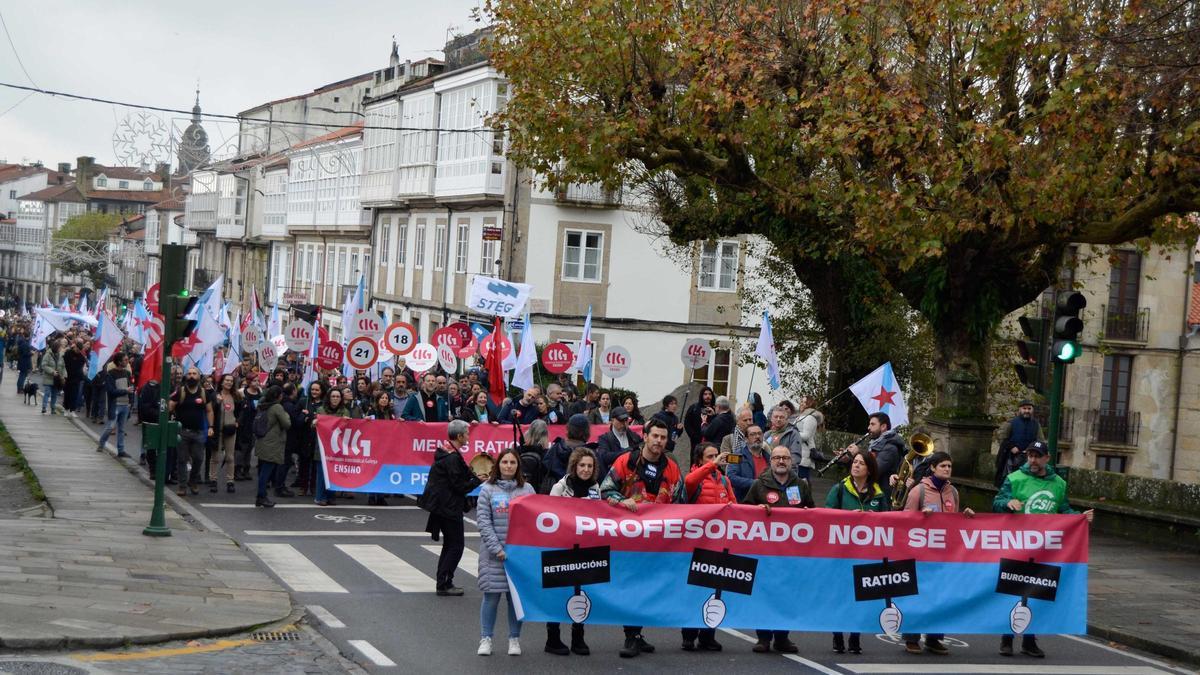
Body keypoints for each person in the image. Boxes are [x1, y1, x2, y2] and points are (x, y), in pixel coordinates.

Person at [993, 440, 1094, 658]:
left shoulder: (1059, 483)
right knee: (1013, 592)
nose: (1033, 460)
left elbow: (1063, 509)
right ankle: (1006, 639)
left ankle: (1029, 641)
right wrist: (1007, 503)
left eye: (1038, 456)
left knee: (1038, 594)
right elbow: (997, 502)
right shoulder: (1014, 479)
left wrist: (1079, 517)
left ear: (1047, 458)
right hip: (1018, 545)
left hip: (1045, 549)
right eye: (1030, 455)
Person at [600, 417, 683, 658]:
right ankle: (630, 636)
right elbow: (605, 489)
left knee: (648, 587)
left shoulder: (672, 467)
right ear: (645, 436)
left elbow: (680, 501)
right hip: (629, 540)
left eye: (663, 437)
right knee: (632, 586)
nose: (658, 441)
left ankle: (636, 633)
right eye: (654, 436)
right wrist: (621, 499)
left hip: (659, 540)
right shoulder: (626, 461)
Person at [900, 450, 975, 655]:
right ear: (933, 468)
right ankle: (911, 637)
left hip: (943, 555)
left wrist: (966, 517)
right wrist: (921, 518)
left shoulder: (954, 492)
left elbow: (955, 523)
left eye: (949, 466)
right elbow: (905, 520)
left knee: (940, 595)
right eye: (943, 466)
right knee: (917, 595)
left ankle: (934, 638)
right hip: (921, 554)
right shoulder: (919, 491)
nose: (947, 469)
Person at [742, 445, 812, 654]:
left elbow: (812, 510)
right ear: (770, 461)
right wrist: (755, 511)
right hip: (765, 552)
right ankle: (763, 638)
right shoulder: (758, 485)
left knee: (788, 594)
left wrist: (808, 512)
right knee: (764, 593)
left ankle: (782, 637)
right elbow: (743, 511)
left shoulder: (801, 485)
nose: (781, 461)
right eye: (777, 458)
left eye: (785, 458)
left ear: (791, 461)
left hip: (792, 552)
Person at [825, 449, 889, 655]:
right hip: (842, 553)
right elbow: (826, 516)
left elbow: (889, 521)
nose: (856, 466)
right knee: (840, 595)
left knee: (860, 596)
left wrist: (875, 518)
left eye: (861, 463)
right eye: (854, 463)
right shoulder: (840, 489)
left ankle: (855, 636)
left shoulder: (878, 494)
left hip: (866, 553)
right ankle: (837, 635)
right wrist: (846, 517)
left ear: (869, 470)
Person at [476, 448, 536, 656]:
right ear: (498, 465)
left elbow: (534, 521)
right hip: (494, 555)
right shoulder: (487, 489)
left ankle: (514, 639)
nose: (509, 466)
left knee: (514, 599)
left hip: (518, 556)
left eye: (512, 462)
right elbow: (483, 521)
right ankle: (486, 638)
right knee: (491, 597)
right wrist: (497, 549)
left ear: (518, 466)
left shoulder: (527, 490)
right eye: (505, 462)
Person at [419, 420, 487, 596]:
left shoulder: (447, 451)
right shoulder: (452, 457)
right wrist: (477, 481)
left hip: (442, 505)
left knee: (450, 544)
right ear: (459, 436)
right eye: (467, 433)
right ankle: (444, 583)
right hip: (448, 506)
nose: (468, 436)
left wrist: (473, 477)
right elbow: (460, 486)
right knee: (456, 545)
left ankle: (443, 581)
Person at [545, 446, 600, 656]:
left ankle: (578, 637)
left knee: (580, 592)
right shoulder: (560, 487)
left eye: (589, 466)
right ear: (574, 466)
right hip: (561, 547)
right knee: (557, 593)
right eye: (582, 465)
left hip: (584, 548)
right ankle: (553, 637)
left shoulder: (595, 488)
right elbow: (549, 514)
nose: (586, 469)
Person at [681, 442, 735, 652]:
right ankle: (688, 635)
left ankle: (708, 635)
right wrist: (711, 465)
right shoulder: (695, 477)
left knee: (715, 589)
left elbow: (734, 505)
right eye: (710, 456)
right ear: (699, 460)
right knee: (693, 590)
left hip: (717, 543)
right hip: (695, 543)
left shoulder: (724, 480)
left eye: (717, 456)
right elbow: (689, 482)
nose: (716, 459)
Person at [169, 366, 215, 497]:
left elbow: (209, 410)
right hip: (182, 431)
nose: (191, 376)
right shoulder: (180, 391)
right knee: (182, 460)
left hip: (199, 432)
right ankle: (182, 486)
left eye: (194, 373)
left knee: (199, 459)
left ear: (199, 376)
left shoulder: (203, 393)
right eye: (189, 374)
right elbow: (170, 405)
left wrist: (211, 427)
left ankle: (193, 481)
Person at [847, 412, 905, 497]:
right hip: (872, 491)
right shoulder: (875, 444)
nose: (868, 427)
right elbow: (862, 467)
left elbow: (874, 470)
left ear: (883, 427)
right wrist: (848, 459)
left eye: (872, 424)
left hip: (881, 495)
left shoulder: (890, 448)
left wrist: (857, 454)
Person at [253, 385, 290, 508]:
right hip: (272, 443)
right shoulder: (277, 407)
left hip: (262, 441)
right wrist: (286, 414)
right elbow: (287, 424)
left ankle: (261, 496)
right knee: (266, 472)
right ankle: (261, 496)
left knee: (263, 470)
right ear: (279, 396)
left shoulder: (263, 404)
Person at [994, 400, 1045, 487]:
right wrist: (1011, 446)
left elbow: (1040, 441)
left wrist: (1031, 450)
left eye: (1029, 408)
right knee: (1010, 482)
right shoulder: (1011, 423)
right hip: (1011, 458)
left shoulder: (1036, 424)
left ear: (1032, 410)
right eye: (1024, 408)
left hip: (1029, 458)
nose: (1026, 411)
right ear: (1019, 409)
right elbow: (1002, 437)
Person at [96, 352, 133, 458]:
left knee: (121, 429)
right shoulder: (110, 374)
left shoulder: (127, 373)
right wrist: (125, 391)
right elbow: (111, 391)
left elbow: (131, 389)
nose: (127, 361)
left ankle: (121, 450)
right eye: (125, 360)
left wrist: (130, 402)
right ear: (119, 361)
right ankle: (101, 443)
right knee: (110, 427)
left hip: (125, 405)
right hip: (115, 404)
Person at [210, 374, 242, 494]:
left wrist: (237, 422)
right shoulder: (215, 395)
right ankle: (213, 480)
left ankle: (230, 481)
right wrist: (217, 403)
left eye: (231, 381)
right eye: (227, 380)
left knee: (230, 457)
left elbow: (240, 411)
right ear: (222, 382)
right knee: (215, 457)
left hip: (230, 429)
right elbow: (209, 411)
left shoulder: (236, 396)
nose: (229, 382)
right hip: (218, 430)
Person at [543, 413, 594, 486]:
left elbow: (545, 468)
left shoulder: (555, 448)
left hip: (555, 493)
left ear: (568, 428)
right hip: (579, 493)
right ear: (587, 431)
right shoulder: (590, 453)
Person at [595, 406, 643, 477]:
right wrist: (625, 452)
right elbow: (604, 457)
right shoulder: (605, 438)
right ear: (612, 420)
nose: (624, 423)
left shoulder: (634, 437)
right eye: (621, 420)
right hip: (614, 477)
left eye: (626, 420)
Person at [726, 424, 769, 500]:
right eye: (753, 434)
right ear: (746, 439)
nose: (757, 437)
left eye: (759, 433)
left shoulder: (769, 457)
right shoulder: (736, 455)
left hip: (766, 499)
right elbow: (731, 477)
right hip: (745, 500)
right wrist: (755, 483)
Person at [235, 379, 262, 481]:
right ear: (249, 382)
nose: (257, 382)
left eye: (257, 380)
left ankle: (246, 469)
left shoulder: (260, 393)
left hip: (254, 423)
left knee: (250, 447)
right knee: (242, 448)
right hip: (243, 424)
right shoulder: (242, 392)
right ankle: (237, 469)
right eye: (254, 381)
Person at [517, 419, 551, 494]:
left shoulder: (519, 450)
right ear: (545, 435)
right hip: (538, 493)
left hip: (519, 491)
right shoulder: (547, 454)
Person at [39, 338, 65, 415]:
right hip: (48, 377)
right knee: (47, 393)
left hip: (57, 378)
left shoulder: (61, 355)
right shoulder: (48, 354)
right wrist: (52, 371)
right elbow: (43, 365)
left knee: (54, 394)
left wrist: (63, 376)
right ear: (56, 347)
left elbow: (63, 366)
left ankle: (53, 408)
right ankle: (44, 407)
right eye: (60, 347)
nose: (61, 349)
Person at [15, 328, 32, 395]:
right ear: (27, 336)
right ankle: (20, 389)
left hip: (21, 361)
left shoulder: (21, 342)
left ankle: (19, 388)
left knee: (21, 376)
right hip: (24, 362)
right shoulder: (25, 344)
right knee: (22, 376)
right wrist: (31, 353)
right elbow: (25, 354)